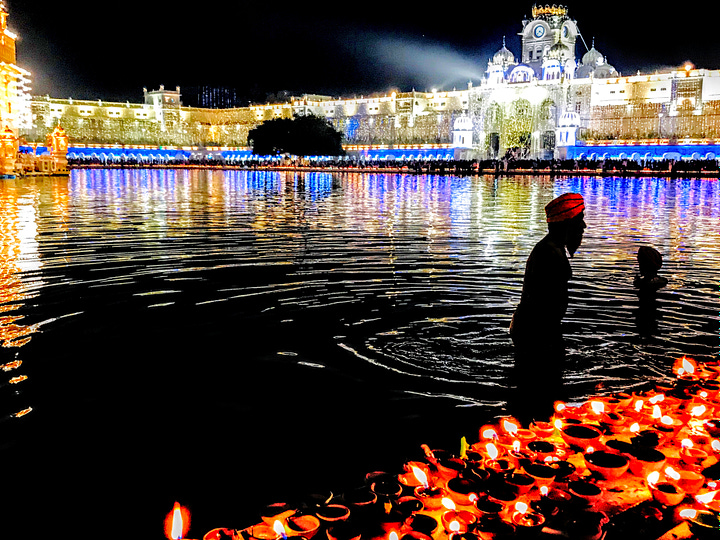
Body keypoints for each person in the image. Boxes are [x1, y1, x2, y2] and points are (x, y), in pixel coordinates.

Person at [507, 192, 587, 423]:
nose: (583, 225)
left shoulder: (550, 249)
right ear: (567, 222)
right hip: (536, 335)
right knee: (539, 398)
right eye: (580, 218)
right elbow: (545, 310)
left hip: (532, 332)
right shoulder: (550, 254)